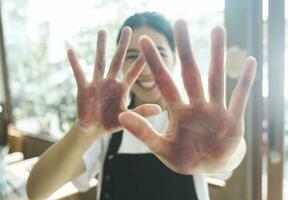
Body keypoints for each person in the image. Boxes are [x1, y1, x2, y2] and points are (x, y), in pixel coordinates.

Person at [26, 12, 257, 200]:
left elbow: (232, 158)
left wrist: (225, 151)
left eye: (157, 54)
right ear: (119, 60)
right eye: (133, 56)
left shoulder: (195, 124)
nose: (146, 69)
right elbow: (37, 191)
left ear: (174, 58)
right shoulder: (106, 129)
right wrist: (85, 129)